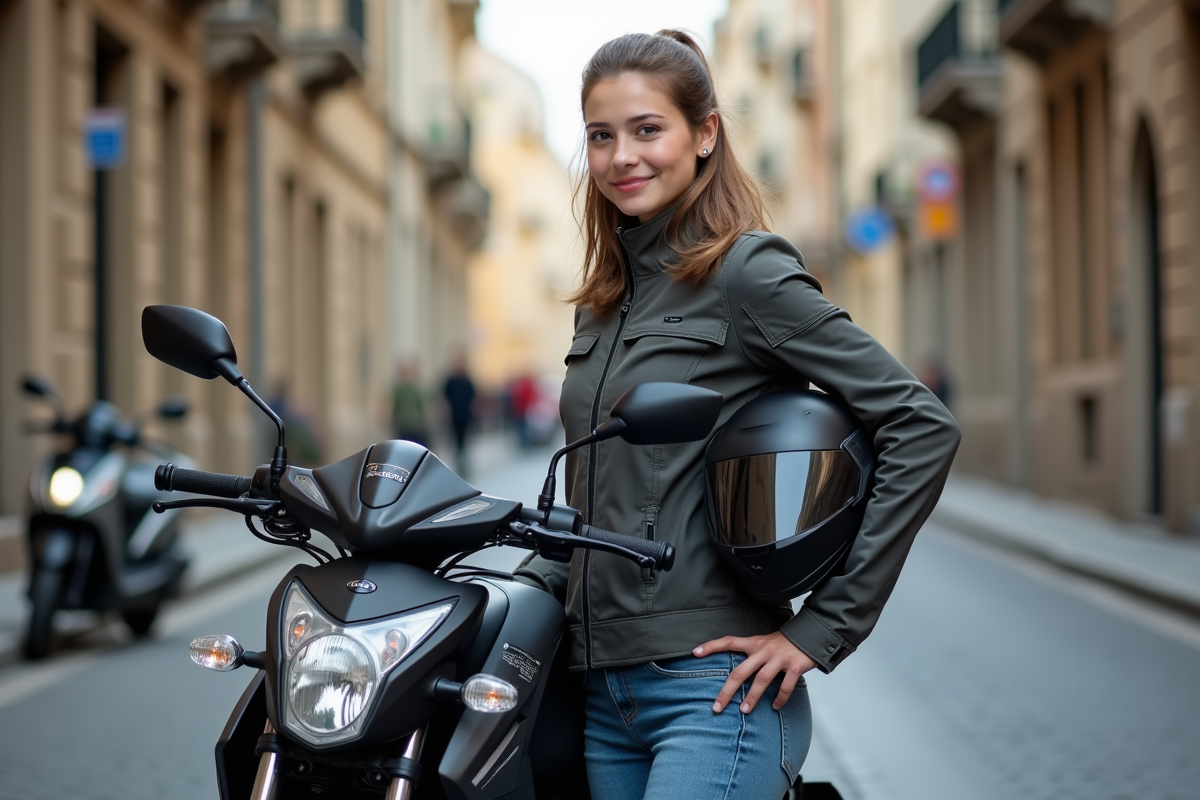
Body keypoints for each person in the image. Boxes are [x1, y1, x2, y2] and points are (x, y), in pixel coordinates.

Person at [512, 30, 961, 800]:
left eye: (648, 129)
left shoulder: (744, 271)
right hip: (601, 697)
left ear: (705, 133)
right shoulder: (603, 304)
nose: (624, 156)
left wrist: (820, 630)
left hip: (714, 693)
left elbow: (920, 425)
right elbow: (596, 499)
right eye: (601, 135)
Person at [442, 354, 476, 475]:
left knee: (465, 441)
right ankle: (458, 463)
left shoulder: (467, 380)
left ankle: (464, 463)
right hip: (454, 415)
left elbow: (473, 397)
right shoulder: (451, 381)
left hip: (466, 415)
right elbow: (445, 397)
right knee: (455, 441)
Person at [390, 360, 430, 447]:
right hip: (403, 424)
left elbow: (421, 407)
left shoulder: (415, 389)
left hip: (414, 425)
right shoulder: (399, 390)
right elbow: (395, 407)